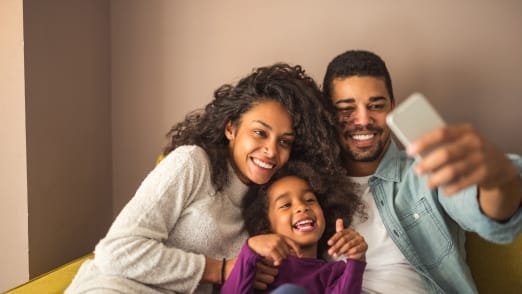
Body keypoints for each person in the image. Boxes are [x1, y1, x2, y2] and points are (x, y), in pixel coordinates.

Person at [65, 63, 341, 294]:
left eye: (284, 141)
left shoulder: (272, 202)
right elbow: (116, 252)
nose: (271, 150)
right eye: (259, 133)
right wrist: (220, 269)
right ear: (230, 128)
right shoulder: (193, 163)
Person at [316, 50, 522, 293]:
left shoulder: (427, 170)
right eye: (346, 109)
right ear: (328, 115)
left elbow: (483, 211)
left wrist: (499, 180)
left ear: (392, 108)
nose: (363, 120)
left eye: (376, 106)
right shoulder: (311, 190)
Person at [221, 161, 367, 294]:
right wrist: (250, 250)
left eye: (310, 200)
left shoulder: (335, 273)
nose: (302, 207)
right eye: (286, 205)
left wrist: (356, 261)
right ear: (266, 224)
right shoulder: (260, 270)